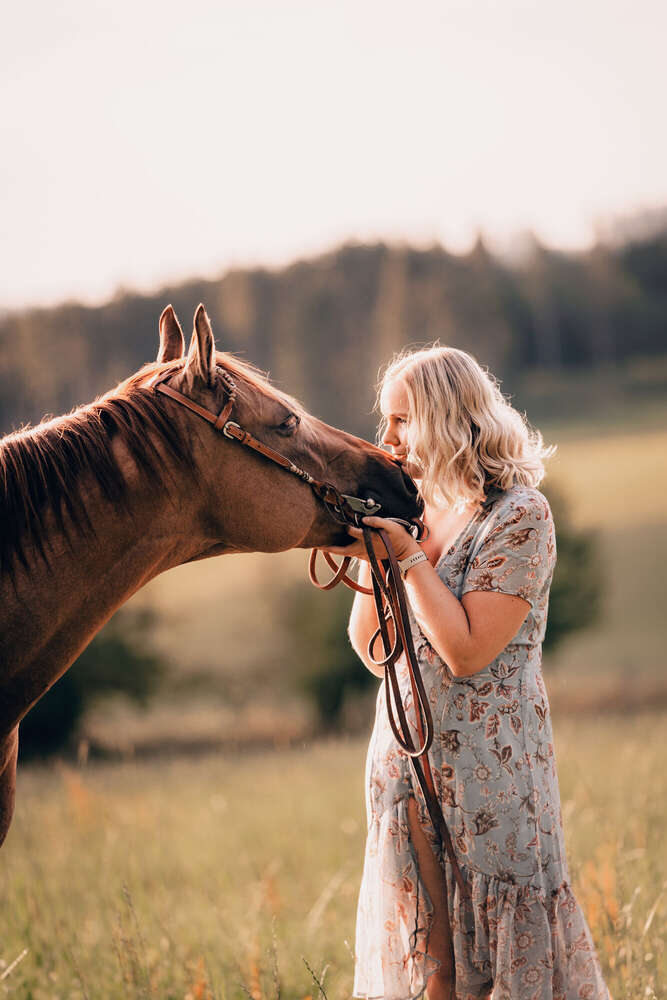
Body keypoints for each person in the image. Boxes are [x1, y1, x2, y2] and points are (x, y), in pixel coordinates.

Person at [327, 346, 609, 1000]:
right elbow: (370, 645)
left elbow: (467, 651)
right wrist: (379, 552)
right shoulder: (415, 512)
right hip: (403, 768)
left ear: (448, 419)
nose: (386, 439)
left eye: (402, 421)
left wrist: (407, 559)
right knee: (429, 971)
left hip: (492, 777)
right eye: (384, 421)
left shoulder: (518, 515)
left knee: (495, 968)